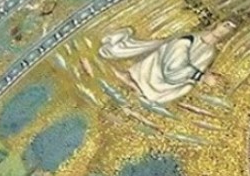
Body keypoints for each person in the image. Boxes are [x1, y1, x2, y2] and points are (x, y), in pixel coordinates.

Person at [98, 20, 237, 109]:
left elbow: (199, 67)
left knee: (188, 86)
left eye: (230, 30)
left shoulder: (210, 52)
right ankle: (131, 78)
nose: (225, 30)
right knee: (176, 72)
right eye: (226, 25)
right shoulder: (190, 37)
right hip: (160, 65)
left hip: (176, 76)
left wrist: (205, 77)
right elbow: (174, 62)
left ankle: (140, 90)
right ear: (217, 24)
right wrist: (202, 77)